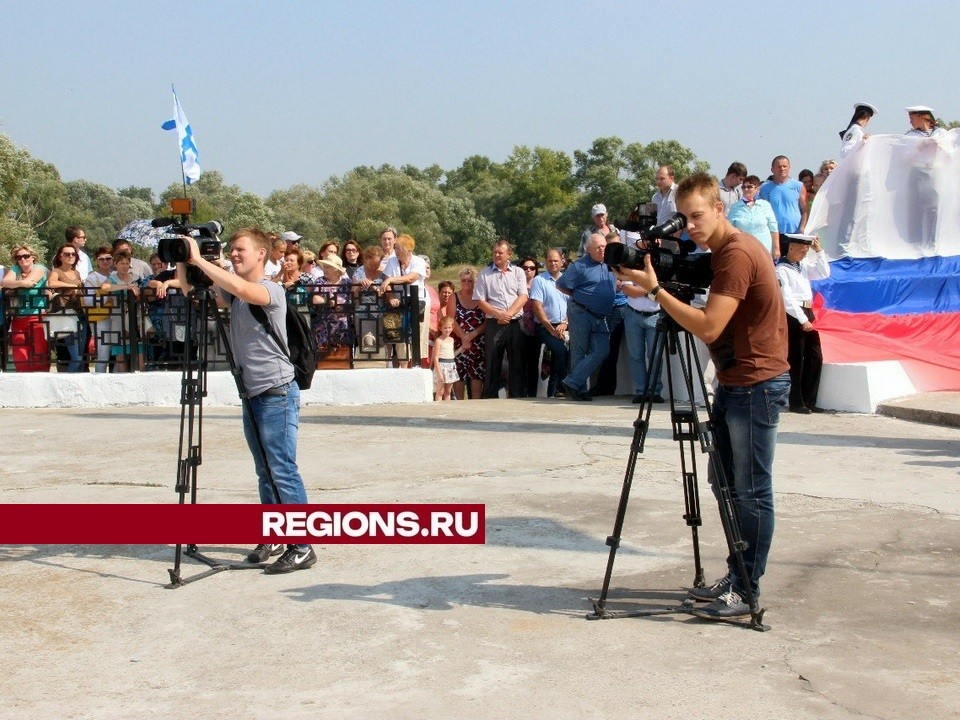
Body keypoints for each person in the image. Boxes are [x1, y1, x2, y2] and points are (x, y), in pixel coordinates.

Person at [615, 173, 789, 620]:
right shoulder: (721, 252)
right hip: (735, 382)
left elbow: (709, 326)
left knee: (750, 492)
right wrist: (648, 284)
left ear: (720, 209)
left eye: (697, 216)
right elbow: (693, 289)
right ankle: (737, 576)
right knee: (725, 484)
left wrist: (655, 292)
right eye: (684, 217)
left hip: (755, 383)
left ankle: (747, 587)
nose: (690, 225)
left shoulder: (736, 254)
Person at [175, 226, 317, 574]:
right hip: (253, 394)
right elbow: (194, 291)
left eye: (240, 250)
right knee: (265, 471)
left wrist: (198, 258)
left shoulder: (269, 290)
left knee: (282, 469)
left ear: (261, 255)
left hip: (277, 393)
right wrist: (183, 261)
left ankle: (302, 547)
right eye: (232, 250)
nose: (234, 254)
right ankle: (273, 535)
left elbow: (240, 288)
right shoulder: (238, 294)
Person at [556, 232, 615, 402]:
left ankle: (572, 382)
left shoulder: (609, 265)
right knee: (579, 351)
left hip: (600, 315)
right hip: (581, 312)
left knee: (602, 350)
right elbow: (561, 285)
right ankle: (579, 390)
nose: (602, 249)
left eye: (604, 246)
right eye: (598, 247)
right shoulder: (579, 266)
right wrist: (580, 296)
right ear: (589, 249)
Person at [776, 235, 830, 413]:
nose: (804, 253)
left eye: (807, 250)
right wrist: (802, 319)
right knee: (796, 358)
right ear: (791, 247)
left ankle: (809, 399)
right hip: (794, 314)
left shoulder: (802, 266)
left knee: (815, 356)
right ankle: (796, 401)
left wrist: (819, 251)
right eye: (802, 250)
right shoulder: (781, 269)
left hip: (808, 311)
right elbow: (787, 299)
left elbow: (824, 273)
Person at [473, 240, 527, 398]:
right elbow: (480, 301)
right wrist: (499, 315)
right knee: (492, 361)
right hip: (494, 323)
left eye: (500, 252)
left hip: (515, 323)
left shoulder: (518, 272)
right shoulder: (485, 273)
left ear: (509, 254)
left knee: (516, 362)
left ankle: (517, 396)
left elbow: (523, 296)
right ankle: (490, 397)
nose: (496, 255)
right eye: (494, 252)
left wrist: (508, 313)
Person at [619, 232, 664, 403]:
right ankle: (641, 391)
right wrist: (651, 291)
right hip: (633, 313)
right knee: (636, 355)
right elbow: (628, 289)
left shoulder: (660, 260)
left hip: (655, 314)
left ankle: (654, 391)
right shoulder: (630, 260)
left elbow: (664, 289)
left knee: (655, 354)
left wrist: (652, 292)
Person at [381, 234, 430, 365]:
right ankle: (401, 364)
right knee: (396, 333)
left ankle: (415, 364)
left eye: (399, 249)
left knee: (415, 334)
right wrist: (391, 297)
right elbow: (387, 283)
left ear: (408, 250)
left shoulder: (419, 261)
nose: (396, 251)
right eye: (396, 248)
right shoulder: (392, 261)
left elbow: (411, 278)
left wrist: (391, 279)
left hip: (416, 301)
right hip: (398, 302)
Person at [1, 244, 49, 372]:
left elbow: (31, 282)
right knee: (20, 356)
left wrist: (15, 284)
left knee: (40, 353)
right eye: (19, 257)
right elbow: (4, 282)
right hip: (18, 318)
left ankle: (41, 385)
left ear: (33, 257)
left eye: (26, 256)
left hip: (37, 316)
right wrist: (22, 282)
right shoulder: (16, 268)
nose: (22, 259)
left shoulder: (40, 268)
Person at [528, 248, 569, 398]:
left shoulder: (567, 280)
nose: (553, 263)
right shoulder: (540, 280)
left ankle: (556, 390)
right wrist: (551, 330)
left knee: (567, 353)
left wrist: (565, 323)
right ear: (546, 262)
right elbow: (537, 307)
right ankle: (558, 388)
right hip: (545, 327)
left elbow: (572, 305)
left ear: (562, 262)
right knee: (560, 351)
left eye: (556, 261)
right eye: (550, 261)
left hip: (563, 325)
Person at [904, 105, 946, 249]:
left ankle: (932, 243)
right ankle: (916, 245)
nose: (910, 121)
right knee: (917, 209)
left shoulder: (941, 133)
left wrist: (938, 146)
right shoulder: (911, 136)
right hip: (918, 174)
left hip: (936, 173)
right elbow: (904, 158)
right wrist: (920, 149)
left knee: (934, 209)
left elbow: (950, 152)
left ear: (922, 116)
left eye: (912, 117)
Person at [47, 244, 86, 372]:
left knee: (81, 357)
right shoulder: (57, 271)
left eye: (73, 254)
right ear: (60, 256)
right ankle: (67, 385)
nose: (70, 256)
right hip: (66, 316)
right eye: (67, 254)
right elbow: (52, 283)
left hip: (80, 314)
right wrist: (71, 286)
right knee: (77, 358)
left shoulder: (77, 273)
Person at [759, 155, 807, 257]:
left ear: (789, 167)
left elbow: (805, 211)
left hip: (794, 233)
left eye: (785, 166)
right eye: (779, 166)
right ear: (772, 169)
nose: (782, 169)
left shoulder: (798, 186)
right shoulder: (764, 188)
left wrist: (802, 229)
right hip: (774, 234)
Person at [449, 267, 486, 400]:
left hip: (478, 342)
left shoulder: (480, 297)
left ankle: (476, 403)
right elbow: (450, 319)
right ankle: (459, 402)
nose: (466, 283)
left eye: (470, 281)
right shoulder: (454, 297)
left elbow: (487, 321)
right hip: (460, 342)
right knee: (459, 374)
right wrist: (464, 336)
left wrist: (472, 335)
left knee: (477, 375)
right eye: (464, 280)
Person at [727, 175, 780, 259]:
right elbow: (729, 229)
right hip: (743, 250)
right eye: (743, 187)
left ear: (757, 189)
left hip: (764, 250)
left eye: (749, 187)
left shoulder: (765, 205)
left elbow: (773, 228)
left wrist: (776, 249)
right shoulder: (735, 207)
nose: (746, 189)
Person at [432, 315, 460, 401]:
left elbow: (452, 354)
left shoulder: (451, 340)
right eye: (445, 328)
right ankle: (438, 410)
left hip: (451, 366)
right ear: (440, 328)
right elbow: (436, 358)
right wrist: (439, 373)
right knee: (440, 391)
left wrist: (462, 348)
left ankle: (447, 410)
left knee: (448, 391)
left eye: (449, 327)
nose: (447, 330)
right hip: (441, 367)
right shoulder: (438, 341)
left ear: (452, 328)